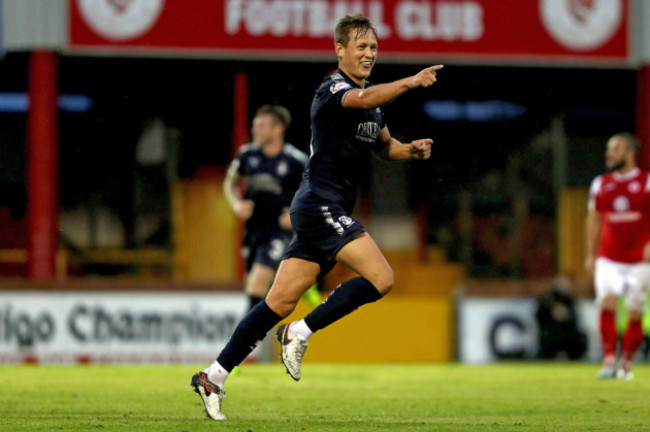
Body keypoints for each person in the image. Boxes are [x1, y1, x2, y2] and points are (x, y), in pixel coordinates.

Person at [191, 13, 442, 420]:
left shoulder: (372, 107)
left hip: (325, 209)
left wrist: (410, 150)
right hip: (319, 203)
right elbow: (362, 99)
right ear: (340, 50)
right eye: (360, 47)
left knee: (277, 302)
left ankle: (213, 377)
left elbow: (383, 147)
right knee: (382, 278)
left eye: (373, 47)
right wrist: (411, 82)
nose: (368, 54)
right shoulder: (333, 89)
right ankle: (299, 333)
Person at [223, 104, 312, 314]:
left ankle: (247, 336)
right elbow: (230, 183)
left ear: (277, 129)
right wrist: (236, 203)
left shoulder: (295, 161)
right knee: (255, 283)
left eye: (261, 126)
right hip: (253, 229)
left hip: (280, 230)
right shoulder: (247, 155)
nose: (255, 131)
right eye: (255, 126)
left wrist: (295, 213)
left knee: (259, 278)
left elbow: (315, 192)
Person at [585, 132, 650, 380]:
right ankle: (609, 358)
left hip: (639, 260)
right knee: (607, 301)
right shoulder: (601, 184)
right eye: (610, 149)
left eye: (615, 149)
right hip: (609, 257)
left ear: (630, 152)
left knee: (635, 311)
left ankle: (627, 362)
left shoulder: (646, 182)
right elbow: (593, 219)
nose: (609, 154)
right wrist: (591, 254)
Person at [535, 274, 587, 360]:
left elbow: (574, 321)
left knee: (578, 339)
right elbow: (539, 318)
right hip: (551, 333)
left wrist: (566, 316)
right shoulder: (546, 300)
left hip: (568, 334)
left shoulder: (570, 301)